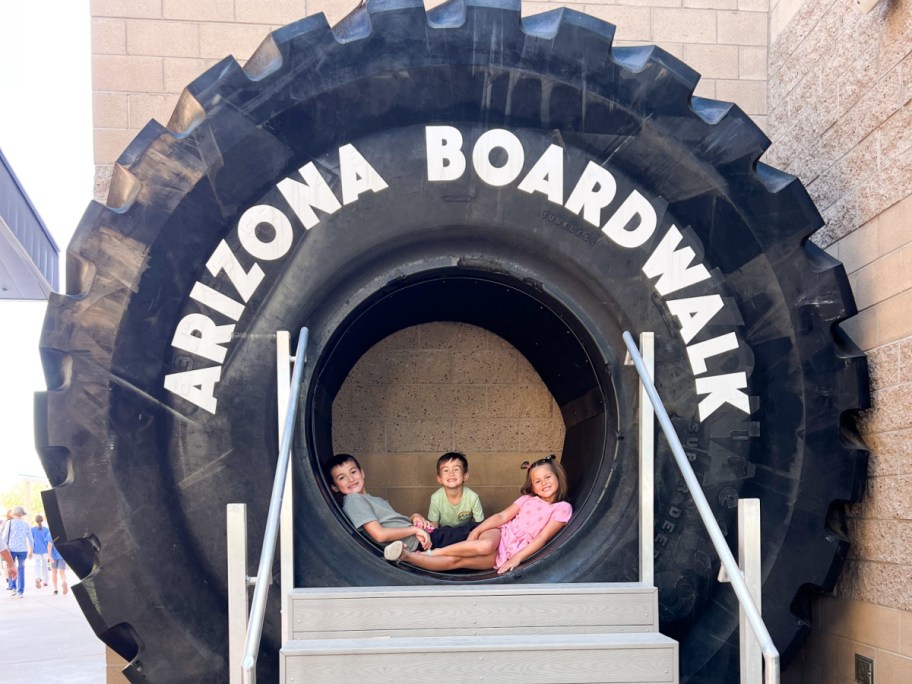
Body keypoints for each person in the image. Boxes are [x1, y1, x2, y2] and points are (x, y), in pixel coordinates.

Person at [384, 455, 571, 574]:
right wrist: (476, 531)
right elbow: (501, 517)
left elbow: (543, 538)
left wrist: (517, 558)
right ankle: (436, 552)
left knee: (456, 561)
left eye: (548, 477)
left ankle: (407, 557)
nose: (544, 483)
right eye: (537, 481)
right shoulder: (527, 499)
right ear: (532, 486)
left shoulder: (562, 508)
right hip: (502, 533)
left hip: (511, 551)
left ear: (558, 476)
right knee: (485, 545)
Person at [325, 453, 478, 555]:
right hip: (418, 544)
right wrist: (415, 530)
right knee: (476, 529)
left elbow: (395, 523)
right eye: (341, 478)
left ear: (362, 472)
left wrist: (414, 517)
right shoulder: (354, 500)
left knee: (474, 531)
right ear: (334, 487)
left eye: (353, 472)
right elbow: (379, 535)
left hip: (424, 536)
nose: (351, 479)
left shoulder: (375, 500)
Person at [427, 452, 484, 529]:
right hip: (445, 533)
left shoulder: (473, 497)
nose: (451, 473)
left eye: (456, 469)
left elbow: (480, 525)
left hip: (466, 532)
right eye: (446, 470)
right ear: (439, 478)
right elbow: (434, 526)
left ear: (465, 476)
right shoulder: (436, 498)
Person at [6, 506, 33, 597]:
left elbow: (4, 537)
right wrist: (31, 550)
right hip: (23, 550)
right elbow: (30, 539)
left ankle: (12, 587)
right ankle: (20, 591)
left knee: (11, 567)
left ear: (14, 513)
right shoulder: (26, 524)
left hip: (11, 549)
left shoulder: (9, 523)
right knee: (21, 569)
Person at [31, 514, 52, 589]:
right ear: (42, 520)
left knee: (37, 565)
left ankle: (37, 578)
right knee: (45, 565)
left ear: (35, 521)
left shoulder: (32, 529)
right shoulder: (46, 529)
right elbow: (49, 541)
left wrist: (31, 550)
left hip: (36, 549)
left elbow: (31, 541)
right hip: (45, 550)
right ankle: (45, 581)